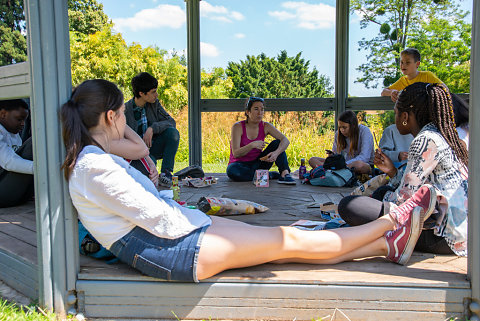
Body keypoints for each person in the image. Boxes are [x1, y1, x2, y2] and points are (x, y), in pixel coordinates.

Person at [61, 79, 438, 282]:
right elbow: (160, 217)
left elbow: (141, 159)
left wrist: (205, 217)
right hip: (179, 248)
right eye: (123, 114)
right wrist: (206, 222)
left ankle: (388, 246)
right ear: (111, 117)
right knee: (289, 240)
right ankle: (394, 221)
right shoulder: (95, 166)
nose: (128, 121)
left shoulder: (93, 157)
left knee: (291, 241)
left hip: (177, 236)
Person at [339, 82, 468, 256]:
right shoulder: (442, 134)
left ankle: (395, 239)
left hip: (443, 236)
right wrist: (392, 172)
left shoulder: (424, 140)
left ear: (405, 116)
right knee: (382, 191)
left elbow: (404, 200)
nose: (395, 118)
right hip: (461, 231)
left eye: (396, 113)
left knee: (350, 206)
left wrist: (379, 196)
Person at [125, 72, 179, 187]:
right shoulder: (125, 111)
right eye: (153, 92)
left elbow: (171, 122)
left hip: (153, 147)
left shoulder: (154, 104)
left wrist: (152, 128)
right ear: (141, 93)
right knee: (150, 170)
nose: (157, 95)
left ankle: (166, 173)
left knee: (172, 133)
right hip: (138, 153)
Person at [227, 97, 295, 184]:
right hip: (239, 165)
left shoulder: (266, 126)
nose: (260, 113)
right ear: (248, 112)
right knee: (232, 171)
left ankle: (284, 173)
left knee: (277, 143)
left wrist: (276, 153)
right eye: (256, 109)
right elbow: (236, 153)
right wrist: (252, 145)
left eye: (262, 109)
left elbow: (285, 140)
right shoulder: (238, 127)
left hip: (258, 163)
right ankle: (268, 175)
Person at [309, 110, 375, 175]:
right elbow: (337, 154)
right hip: (340, 165)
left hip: (359, 166)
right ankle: (333, 171)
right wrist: (332, 156)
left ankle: (331, 171)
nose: (342, 130)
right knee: (312, 160)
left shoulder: (364, 131)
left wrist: (344, 164)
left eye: (344, 127)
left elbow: (365, 157)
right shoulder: (338, 133)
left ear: (353, 126)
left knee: (359, 165)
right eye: (340, 127)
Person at [0, 99, 34, 208]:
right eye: (19, 119)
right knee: (33, 143)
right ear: (3, 114)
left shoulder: (13, 132)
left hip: (17, 195)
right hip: (3, 195)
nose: (23, 124)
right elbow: (8, 163)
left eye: (24, 120)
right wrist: (41, 169)